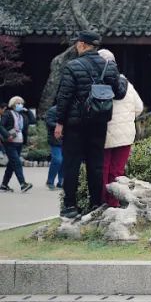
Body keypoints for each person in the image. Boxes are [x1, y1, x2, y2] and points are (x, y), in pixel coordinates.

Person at [54, 31, 125, 218]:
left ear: (82, 45)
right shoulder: (109, 67)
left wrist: (59, 123)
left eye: (77, 43)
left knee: (72, 164)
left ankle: (70, 206)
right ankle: (96, 204)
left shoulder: (73, 66)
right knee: (96, 165)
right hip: (99, 123)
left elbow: (64, 97)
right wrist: (122, 81)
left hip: (75, 125)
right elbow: (119, 93)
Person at [99, 49, 143, 208]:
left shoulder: (97, 82)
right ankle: (114, 202)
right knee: (117, 171)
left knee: (102, 169)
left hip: (103, 133)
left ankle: (102, 202)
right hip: (125, 135)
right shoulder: (127, 84)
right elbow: (139, 107)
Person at [0, 96, 35, 193]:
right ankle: (23, 184)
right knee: (17, 163)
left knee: (12, 164)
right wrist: (7, 135)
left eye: (21, 103)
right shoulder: (8, 113)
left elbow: (33, 120)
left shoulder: (22, 115)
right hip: (10, 143)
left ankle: (4, 185)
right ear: (13, 104)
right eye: (18, 103)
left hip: (19, 143)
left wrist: (27, 111)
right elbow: (1, 125)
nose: (20, 105)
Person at [43, 106, 62, 190]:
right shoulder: (52, 110)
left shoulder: (70, 109)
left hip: (67, 139)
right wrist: (61, 126)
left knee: (65, 161)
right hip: (55, 139)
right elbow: (49, 123)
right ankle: (50, 181)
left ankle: (61, 182)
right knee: (58, 160)